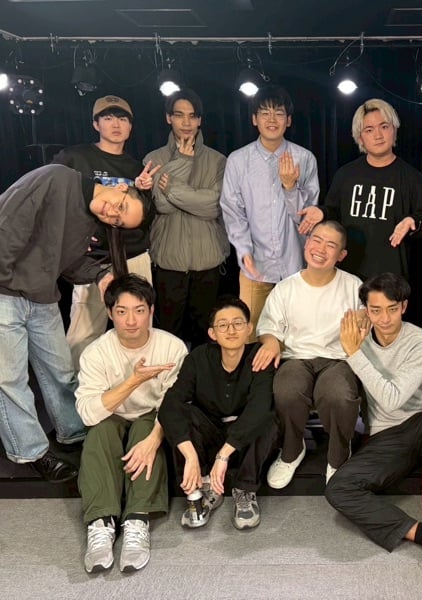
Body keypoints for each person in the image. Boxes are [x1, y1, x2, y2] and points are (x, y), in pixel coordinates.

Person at [0, 163, 149, 483]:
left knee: (61, 371)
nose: (113, 214)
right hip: (5, 292)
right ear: (121, 188)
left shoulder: (89, 220)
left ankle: (73, 432)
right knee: (9, 380)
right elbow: (7, 227)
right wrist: (6, 280)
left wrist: (101, 276)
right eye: (121, 207)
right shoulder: (56, 178)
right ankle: (30, 452)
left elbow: (69, 262)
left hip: (42, 296)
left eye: (119, 221)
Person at [325, 273, 422, 578]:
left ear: (404, 307)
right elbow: (331, 351)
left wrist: (354, 354)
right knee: (338, 489)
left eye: (392, 309)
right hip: (387, 436)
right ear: (366, 310)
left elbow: (392, 398)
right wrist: (354, 337)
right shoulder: (358, 338)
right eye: (376, 310)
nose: (385, 319)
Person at [75, 274, 187, 573]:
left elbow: (174, 404)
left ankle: (137, 519)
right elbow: (87, 413)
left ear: (151, 311)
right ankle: (101, 521)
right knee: (99, 432)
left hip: (152, 415)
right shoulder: (96, 352)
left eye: (139, 310)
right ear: (110, 313)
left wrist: (154, 440)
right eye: (122, 311)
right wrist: (134, 380)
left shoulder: (172, 347)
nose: (131, 320)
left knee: (145, 431)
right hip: (112, 415)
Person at [53, 94, 159, 369]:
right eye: (108, 118)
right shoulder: (74, 157)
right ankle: (76, 390)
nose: (116, 124)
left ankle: (136, 385)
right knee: (83, 332)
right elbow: (52, 198)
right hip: (92, 259)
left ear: (131, 126)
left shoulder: (136, 167)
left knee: (138, 325)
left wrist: (144, 191)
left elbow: (145, 217)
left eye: (122, 119)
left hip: (133, 255)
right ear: (95, 124)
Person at [254, 221, 362, 487]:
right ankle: (291, 450)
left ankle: (338, 456)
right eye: (316, 240)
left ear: (341, 255)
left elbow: (365, 327)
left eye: (330, 245)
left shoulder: (353, 286)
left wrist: (363, 326)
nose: (320, 249)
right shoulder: (286, 288)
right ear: (306, 243)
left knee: (338, 393)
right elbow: (268, 327)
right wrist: (271, 342)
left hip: (338, 359)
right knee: (287, 389)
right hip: (296, 357)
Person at [299, 99, 422, 305]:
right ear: (360, 138)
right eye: (369, 130)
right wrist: (322, 213)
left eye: (384, 127)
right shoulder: (346, 174)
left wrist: (413, 221)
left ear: (394, 130)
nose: (378, 135)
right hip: (347, 278)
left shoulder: (412, 178)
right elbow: (334, 212)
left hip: (391, 281)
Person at [159, 296, 278, 531]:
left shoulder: (259, 356)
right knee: (184, 412)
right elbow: (171, 404)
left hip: (244, 442)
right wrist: (190, 455)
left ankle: (245, 490)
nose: (231, 330)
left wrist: (224, 455)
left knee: (268, 418)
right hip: (210, 436)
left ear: (249, 329)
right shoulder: (198, 357)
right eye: (223, 325)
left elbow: (260, 407)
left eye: (238, 323)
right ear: (212, 333)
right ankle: (203, 487)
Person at [220, 85, 319, 339]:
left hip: (295, 265)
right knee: (250, 335)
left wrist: (290, 187)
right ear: (254, 119)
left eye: (279, 113)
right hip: (255, 266)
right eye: (265, 113)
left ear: (289, 120)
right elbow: (233, 212)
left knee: (296, 336)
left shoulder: (305, 158)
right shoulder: (238, 161)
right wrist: (244, 250)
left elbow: (307, 220)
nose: (272, 119)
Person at [145, 88, 229, 349]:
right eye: (179, 115)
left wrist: (171, 188)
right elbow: (161, 205)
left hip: (208, 262)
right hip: (168, 262)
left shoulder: (218, 161)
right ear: (168, 118)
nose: (186, 122)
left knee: (206, 339)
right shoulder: (154, 159)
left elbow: (214, 206)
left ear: (200, 120)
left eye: (192, 116)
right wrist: (182, 161)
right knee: (168, 339)